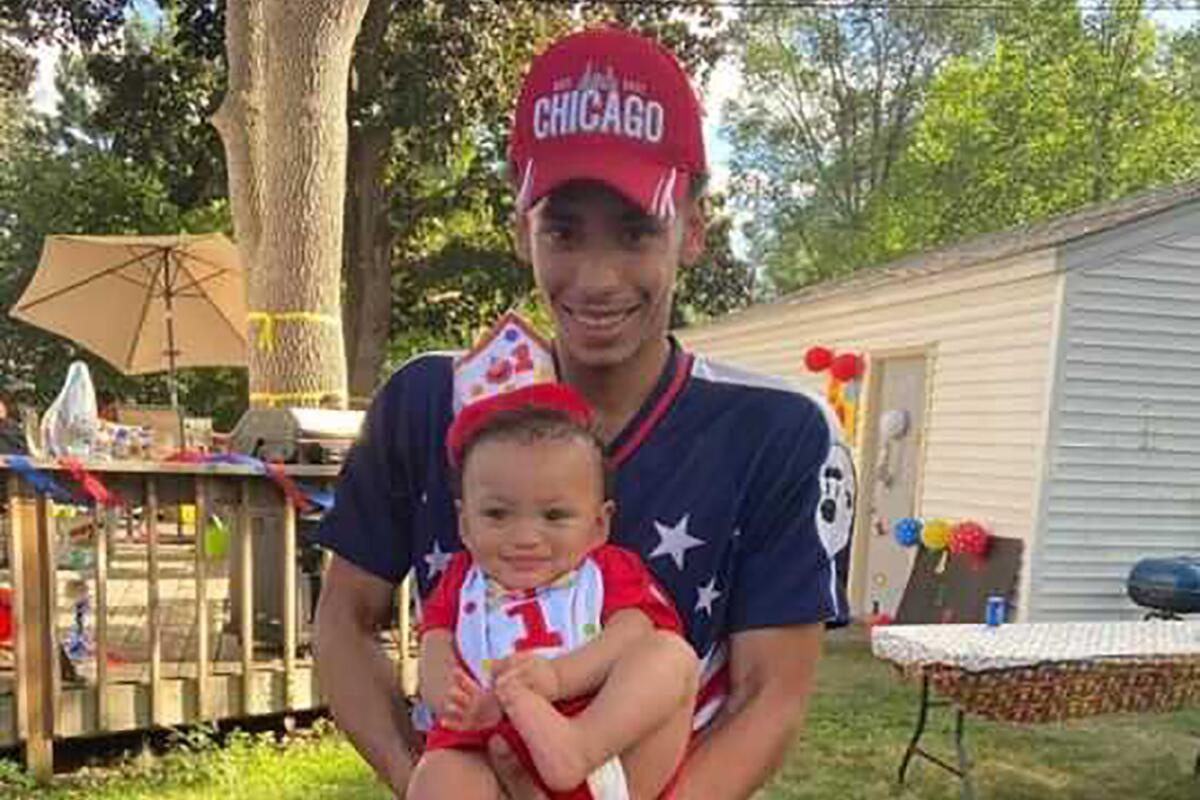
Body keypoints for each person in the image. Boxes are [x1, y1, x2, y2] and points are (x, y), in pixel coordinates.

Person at [315, 26, 856, 799]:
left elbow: (771, 695)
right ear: (520, 230)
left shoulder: (779, 432)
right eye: (563, 231)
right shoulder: (429, 400)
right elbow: (343, 620)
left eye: (636, 231)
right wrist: (425, 781)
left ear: (692, 232)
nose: (597, 277)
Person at [408, 383, 696, 800]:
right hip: (483, 740)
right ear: (464, 523)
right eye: (497, 514)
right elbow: (436, 643)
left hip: (593, 735)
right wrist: (450, 700)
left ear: (599, 524)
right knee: (440, 775)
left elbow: (634, 630)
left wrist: (559, 678)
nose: (526, 536)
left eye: (555, 515)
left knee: (671, 654)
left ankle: (581, 745)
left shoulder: (607, 569)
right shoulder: (461, 578)